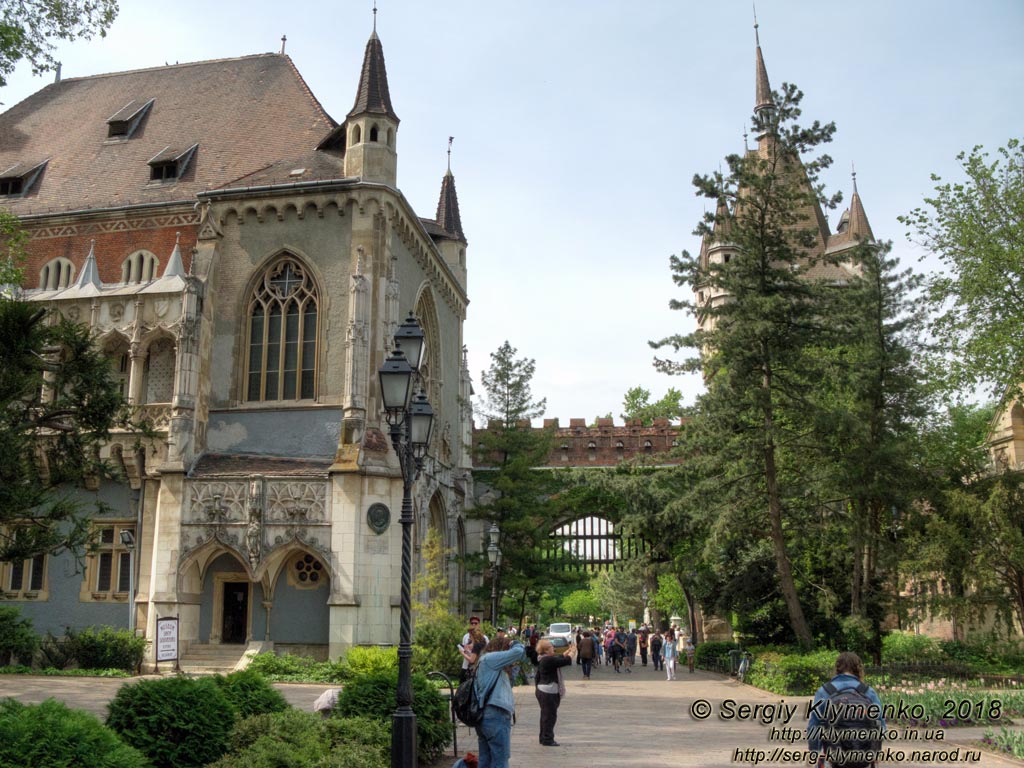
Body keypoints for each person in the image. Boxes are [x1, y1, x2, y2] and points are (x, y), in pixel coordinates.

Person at [807, 652, 885, 768]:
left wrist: (815, 751)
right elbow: (880, 724)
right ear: (858, 669)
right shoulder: (868, 692)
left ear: (837, 668)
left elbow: (814, 727)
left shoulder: (824, 691)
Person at [474, 636, 527, 768]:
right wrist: (514, 643)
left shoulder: (486, 662)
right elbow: (519, 652)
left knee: (486, 759)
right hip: (495, 714)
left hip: (485, 715)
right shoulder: (491, 658)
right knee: (500, 758)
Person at [534, 637, 576, 746]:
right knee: (549, 716)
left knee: (545, 715)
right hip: (548, 691)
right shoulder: (548, 660)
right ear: (546, 650)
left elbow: (559, 658)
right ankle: (548, 739)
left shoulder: (544, 659)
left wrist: (567, 652)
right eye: (552, 647)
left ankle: (543, 737)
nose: (554, 648)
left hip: (543, 690)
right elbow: (566, 661)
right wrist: (573, 652)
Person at [460, 616, 489, 683]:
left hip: (476, 668)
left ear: (479, 624)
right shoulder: (465, 636)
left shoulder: (484, 638)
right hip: (466, 666)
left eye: (475, 623)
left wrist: (462, 652)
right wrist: (466, 650)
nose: (473, 625)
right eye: (472, 623)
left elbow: (485, 652)